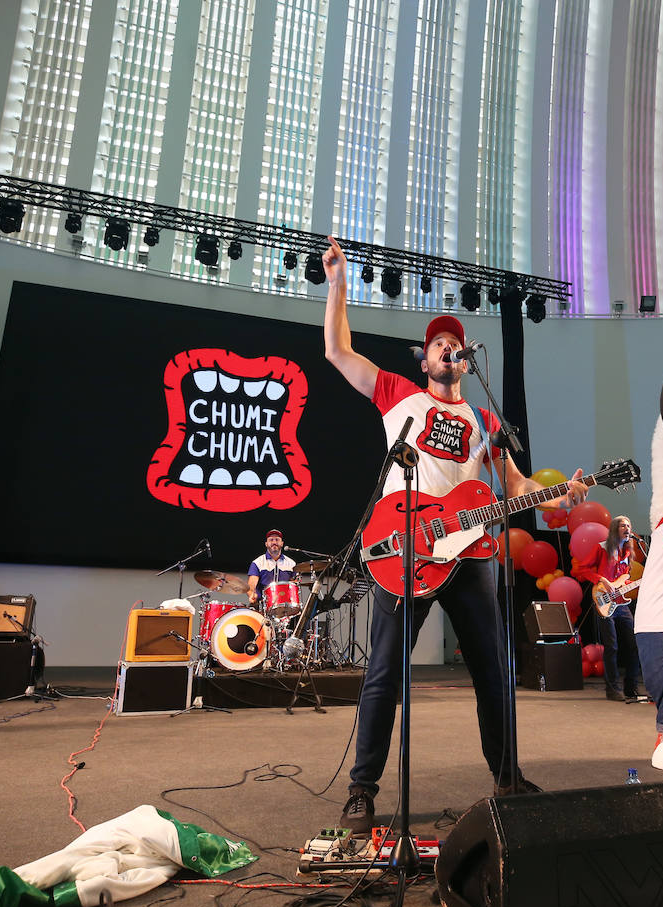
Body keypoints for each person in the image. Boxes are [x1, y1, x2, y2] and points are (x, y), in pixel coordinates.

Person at [321, 236, 589, 832]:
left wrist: (561, 495)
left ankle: (507, 775)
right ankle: (362, 790)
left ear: (467, 359)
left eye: (457, 345)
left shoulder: (486, 420)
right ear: (425, 357)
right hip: (407, 548)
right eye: (440, 343)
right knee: (385, 671)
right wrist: (339, 282)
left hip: (472, 555)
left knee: (495, 669)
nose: (450, 349)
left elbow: (514, 486)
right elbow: (338, 351)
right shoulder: (397, 393)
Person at [575, 515, 643, 701]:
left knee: (633, 644)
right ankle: (612, 689)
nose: (627, 528)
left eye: (629, 525)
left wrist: (635, 584)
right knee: (611, 646)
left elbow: (623, 579)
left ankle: (631, 688)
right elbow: (581, 569)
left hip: (621, 603)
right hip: (603, 601)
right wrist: (602, 579)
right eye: (623, 525)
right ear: (615, 529)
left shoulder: (628, 553)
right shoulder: (602, 547)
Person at [246, 529, 296, 606]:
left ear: (282, 543)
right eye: (271, 540)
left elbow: (294, 585)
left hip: (284, 605)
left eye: (277, 540)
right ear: (266, 544)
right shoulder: (257, 562)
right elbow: (251, 587)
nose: (274, 542)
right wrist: (252, 595)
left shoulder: (291, 563)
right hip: (262, 605)